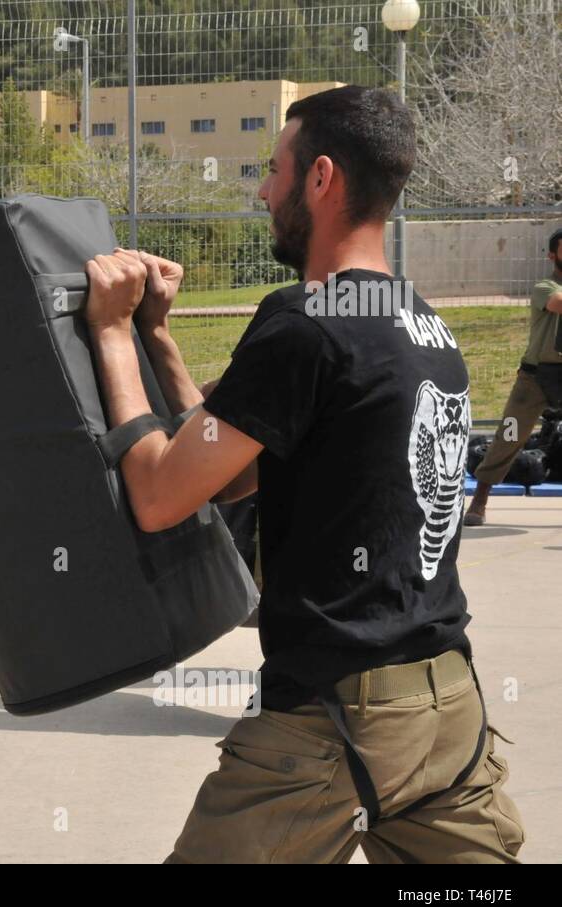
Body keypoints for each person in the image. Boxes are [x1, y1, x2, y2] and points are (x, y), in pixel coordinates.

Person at [82, 86, 523, 862]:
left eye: (273, 169)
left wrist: (111, 330)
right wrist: (159, 338)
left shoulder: (304, 320)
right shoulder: (423, 326)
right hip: (447, 713)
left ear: (320, 179)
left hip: (332, 725)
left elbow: (159, 494)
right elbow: (231, 474)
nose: (261, 190)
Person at [465, 227, 562, 524]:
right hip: (535, 377)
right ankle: (480, 500)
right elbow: (558, 303)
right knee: (508, 436)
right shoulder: (545, 286)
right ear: (551, 254)